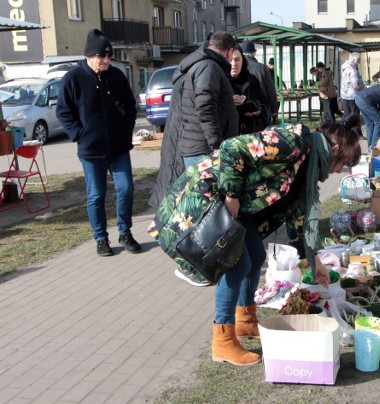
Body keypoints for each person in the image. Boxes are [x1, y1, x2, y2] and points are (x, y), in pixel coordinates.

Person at [148, 117, 363, 366]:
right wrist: (231, 195)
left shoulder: (309, 165)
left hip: (240, 208)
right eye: (344, 163)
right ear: (335, 149)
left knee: (255, 257)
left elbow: (298, 219)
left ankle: (245, 321)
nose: (338, 171)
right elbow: (232, 148)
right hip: (213, 194)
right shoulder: (293, 142)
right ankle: (223, 341)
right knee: (237, 264)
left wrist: (314, 262)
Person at [149, 31, 239, 287]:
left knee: (203, 211)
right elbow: (205, 107)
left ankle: (203, 262)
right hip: (202, 150)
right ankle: (192, 266)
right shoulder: (208, 67)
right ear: (229, 50)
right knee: (203, 214)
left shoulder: (203, 65)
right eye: (234, 54)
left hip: (199, 148)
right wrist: (216, 146)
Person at [57, 29, 141, 257]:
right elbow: (63, 112)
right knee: (96, 195)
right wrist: (79, 134)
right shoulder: (72, 79)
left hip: (118, 148)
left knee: (126, 189)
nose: (106, 60)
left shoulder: (116, 76)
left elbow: (131, 107)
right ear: (89, 56)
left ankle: (125, 233)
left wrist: (126, 132)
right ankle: (101, 238)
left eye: (109, 56)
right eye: (102, 56)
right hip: (91, 151)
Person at [230, 45, 269, 133]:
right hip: (230, 135)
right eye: (230, 60)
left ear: (243, 61)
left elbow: (264, 103)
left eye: (237, 59)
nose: (234, 64)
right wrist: (229, 102)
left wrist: (259, 110)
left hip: (251, 132)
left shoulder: (252, 80)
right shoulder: (220, 81)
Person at [241, 40, 279, 125]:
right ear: (254, 53)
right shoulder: (262, 68)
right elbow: (270, 90)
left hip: (242, 111)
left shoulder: (237, 68)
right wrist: (274, 110)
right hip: (261, 110)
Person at [340, 52, 364, 119]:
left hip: (344, 95)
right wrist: (362, 86)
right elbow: (355, 85)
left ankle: (346, 128)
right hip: (352, 96)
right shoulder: (353, 70)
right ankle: (355, 128)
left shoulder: (344, 67)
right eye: (358, 60)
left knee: (347, 114)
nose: (359, 62)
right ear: (354, 60)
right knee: (355, 114)